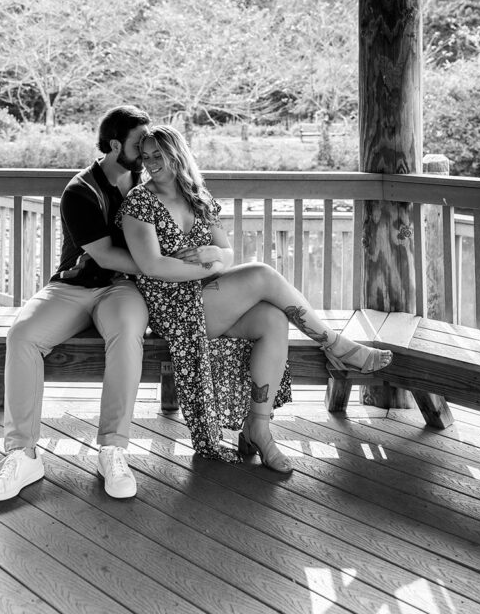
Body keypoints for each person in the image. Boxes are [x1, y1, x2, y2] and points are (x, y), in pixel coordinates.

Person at [118, 125, 393, 474]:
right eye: (145, 157)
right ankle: (335, 344)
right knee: (262, 274)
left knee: (272, 320)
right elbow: (152, 265)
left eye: (158, 155)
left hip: (209, 297)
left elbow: (228, 254)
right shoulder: (139, 202)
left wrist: (211, 254)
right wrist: (209, 263)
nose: (151, 163)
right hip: (172, 307)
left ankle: (259, 428)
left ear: (177, 153)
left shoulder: (197, 195)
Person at [0, 105, 151, 502]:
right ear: (114, 145)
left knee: (128, 334)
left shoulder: (150, 180)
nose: (147, 149)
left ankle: (113, 448)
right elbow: (106, 256)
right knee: (22, 335)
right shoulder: (80, 191)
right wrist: (162, 267)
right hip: (75, 286)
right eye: (138, 142)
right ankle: (22, 454)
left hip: (123, 289)